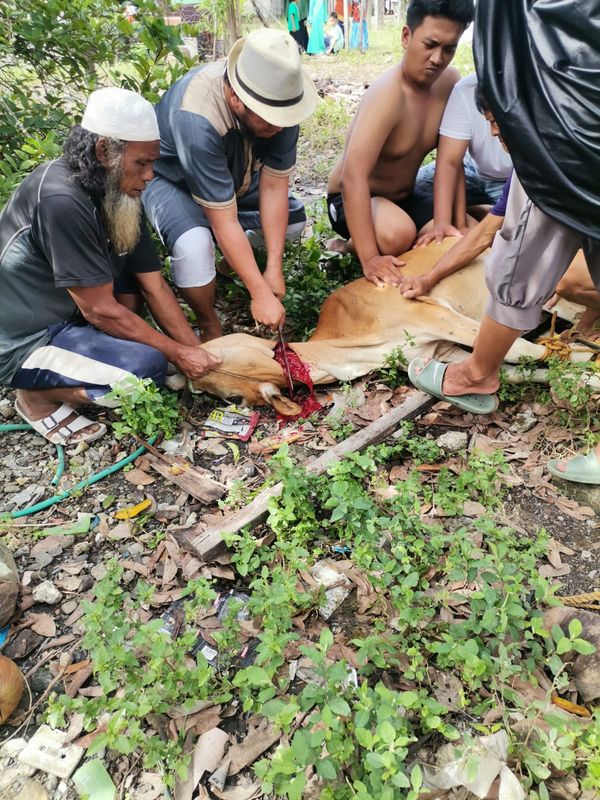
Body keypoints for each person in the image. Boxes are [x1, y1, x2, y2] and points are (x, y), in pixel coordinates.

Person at [408, 0, 600, 484]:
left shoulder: (544, 137)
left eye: (498, 123)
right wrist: (429, 275)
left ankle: (477, 373)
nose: (495, 133)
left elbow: (509, 247)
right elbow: (484, 229)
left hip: (568, 118)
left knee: (525, 262)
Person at [0, 87, 221, 446]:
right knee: (142, 371)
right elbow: (102, 311)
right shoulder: (61, 200)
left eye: (154, 163)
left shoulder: (119, 190)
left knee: (144, 320)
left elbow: (154, 285)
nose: (151, 175)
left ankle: (87, 362)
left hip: (72, 315)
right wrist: (177, 354)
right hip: (28, 339)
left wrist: (193, 351)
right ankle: (35, 395)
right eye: (141, 163)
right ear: (104, 151)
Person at [142, 30, 318, 342]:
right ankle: (209, 322)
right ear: (236, 98)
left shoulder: (281, 101)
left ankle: (227, 265)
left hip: (232, 179)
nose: (278, 127)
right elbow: (224, 219)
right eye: (268, 119)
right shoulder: (197, 116)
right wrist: (259, 291)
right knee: (194, 247)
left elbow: (275, 187)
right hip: (173, 181)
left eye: (282, 118)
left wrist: (273, 269)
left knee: (294, 221)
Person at [326, 0, 475, 287]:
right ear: (406, 36)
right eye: (430, 44)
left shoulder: (449, 84)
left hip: (405, 195)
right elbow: (352, 176)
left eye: (449, 49)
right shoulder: (387, 95)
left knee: (463, 236)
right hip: (354, 198)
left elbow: (451, 161)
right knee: (398, 235)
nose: (437, 58)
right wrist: (370, 259)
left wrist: (454, 222)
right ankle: (345, 246)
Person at [415, 77, 512, 246]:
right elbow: (449, 161)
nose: (493, 132)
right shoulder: (465, 88)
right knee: (419, 185)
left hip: (514, 178)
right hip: (472, 169)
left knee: (517, 230)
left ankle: (484, 212)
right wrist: (443, 223)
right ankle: (476, 211)